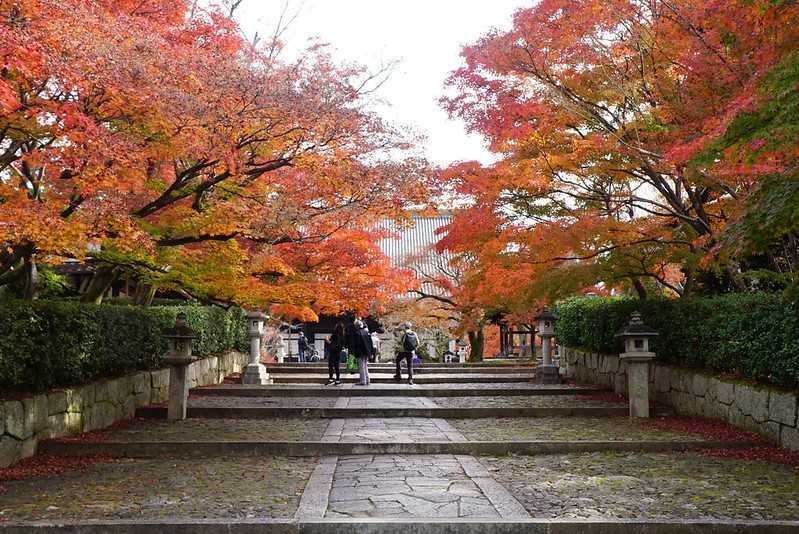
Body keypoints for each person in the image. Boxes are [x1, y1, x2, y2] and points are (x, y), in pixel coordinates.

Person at [352, 319, 374, 386]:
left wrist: (355, 353)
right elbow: (371, 343)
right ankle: (367, 380)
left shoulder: (357, 333)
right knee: (365, 366)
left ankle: (363, 381)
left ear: (356, 326)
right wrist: (371, 352)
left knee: (361, 367)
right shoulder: (367, 332)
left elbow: (356, 345)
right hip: (367, 352)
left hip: (360, 352)